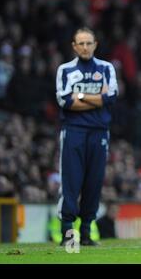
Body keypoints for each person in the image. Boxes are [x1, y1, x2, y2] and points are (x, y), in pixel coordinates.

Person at [55, 27, 118, 246]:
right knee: (71, 181)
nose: (84, 47)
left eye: (88, 43)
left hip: (99, 132)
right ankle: (67, 233)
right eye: (80, 43)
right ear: (74, 46)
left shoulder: (106, 68)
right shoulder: (64, 70)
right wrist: (94, 98)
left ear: (95, 44)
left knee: (94, 182)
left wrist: (79, 95)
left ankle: (86, 233)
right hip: (73, 132)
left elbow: (109, 99)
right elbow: (65, 102)